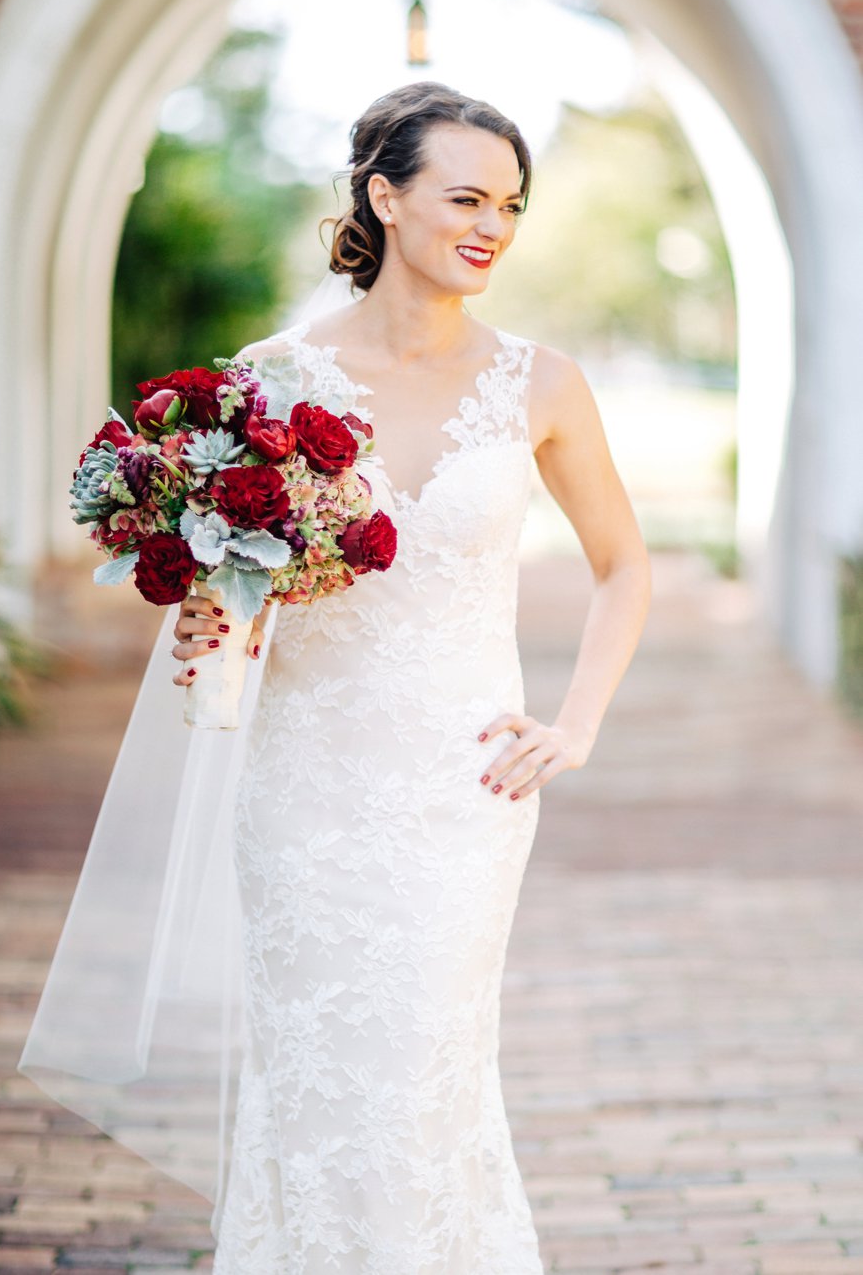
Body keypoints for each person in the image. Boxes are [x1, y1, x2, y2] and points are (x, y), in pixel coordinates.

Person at [168, 81, 652, 1271]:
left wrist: (575, 726)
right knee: (317, 1073)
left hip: (463, 787)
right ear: (384, 198)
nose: (493, 225)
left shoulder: (542, 383)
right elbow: (225, 586)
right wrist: (201, 629)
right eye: (466, 197)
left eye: (511, 205)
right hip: (304, 789)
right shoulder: (273, 377)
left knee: (429, 1067)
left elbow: (623, 565)